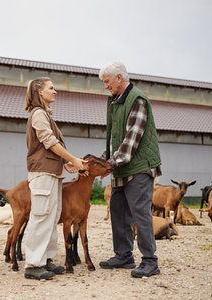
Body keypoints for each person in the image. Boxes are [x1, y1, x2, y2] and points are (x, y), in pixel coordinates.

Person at [98, 62, 162, 278]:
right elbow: (114, 139)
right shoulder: (114, 102)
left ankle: (150, 261)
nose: (105, 86)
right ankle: (124, 255)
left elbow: (130, 141)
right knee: (118, 212)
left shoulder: (137, 100)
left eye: (107, 81)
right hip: (121, 168)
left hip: (139, 168)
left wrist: (109, 164)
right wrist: (102, 161)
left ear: (118, 77)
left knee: (140, 214)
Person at [24, 77, 88, 280]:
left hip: (52, 173)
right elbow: (50, 142)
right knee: (41, 217)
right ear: (39, 92)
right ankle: (33, 264)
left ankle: (46, 260)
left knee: (52, 217)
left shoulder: (45, 114)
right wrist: (73, 159)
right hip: (42, 174)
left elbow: (50, 148)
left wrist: (63, 163)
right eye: (51, 88)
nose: (55, 91)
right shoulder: (38, 114)